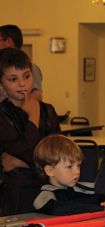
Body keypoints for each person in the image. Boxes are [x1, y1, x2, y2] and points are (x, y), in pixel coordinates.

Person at [0, 48, 60, 216]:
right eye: (13, 79)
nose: (22, 84)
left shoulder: (48, 111)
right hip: (15, 196)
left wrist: (17, 163)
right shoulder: (3, 115)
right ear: (1, 83)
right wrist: (33, 116)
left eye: (27, 76)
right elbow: (28, 152)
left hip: (50, 191)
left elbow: (58, 157)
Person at [33, 135, 105, 215]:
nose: (77, 171)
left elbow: (92, 198)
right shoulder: (44, 195)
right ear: (50, 171)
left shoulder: (73, 189)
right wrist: (99, 209)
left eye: (79, 165)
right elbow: (62, 209)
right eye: (70, 167)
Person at [0, 24, 42, 101]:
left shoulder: (32, 67)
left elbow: (37, 95)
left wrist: (12, 106)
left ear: (8, 41)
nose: (22, 83)